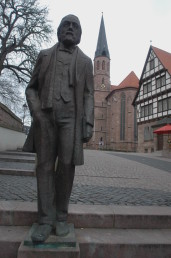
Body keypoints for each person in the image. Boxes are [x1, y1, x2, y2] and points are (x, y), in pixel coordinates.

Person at [23, 14, 94, 243]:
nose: (70, 28)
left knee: (66, 165)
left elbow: (89, 95)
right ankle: (45, 220)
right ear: (59, 30)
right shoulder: (44, 56)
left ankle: (61, 216)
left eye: (75, 26)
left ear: (80, 34)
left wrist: (88, 122)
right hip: (45, 117)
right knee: (44, 167)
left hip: (71, 120)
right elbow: (31, 88)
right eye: (66, 25)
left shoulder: (85, 61)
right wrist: (36, 113)